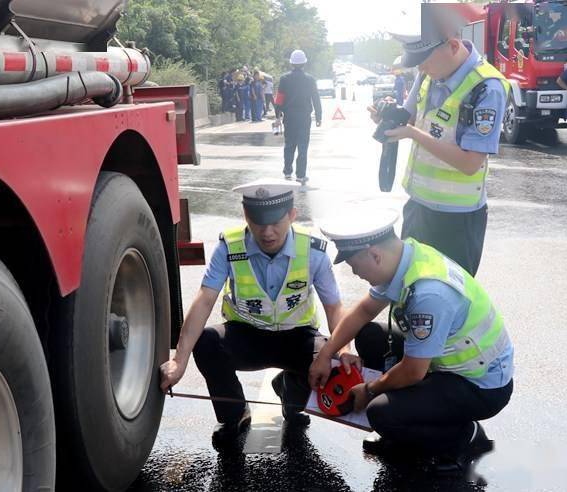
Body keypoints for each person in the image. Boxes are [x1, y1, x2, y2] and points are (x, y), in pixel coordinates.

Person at [310, 211, 514, 475]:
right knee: (369, 336)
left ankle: (463, 438)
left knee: (381, 413)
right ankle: (410, 425)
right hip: (447, 364)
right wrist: (326, 354)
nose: (355, 272)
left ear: (375, 255)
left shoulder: (429, 293)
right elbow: (363, 311)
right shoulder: (406, 257)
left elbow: (413, 371)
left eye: (354, 264)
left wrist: (370, 390)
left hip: (480, 384)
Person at [159, 179, 348, 446]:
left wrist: (343, 349)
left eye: (276, 223)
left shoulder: (312, 250)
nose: (267, 232)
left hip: (298, 337)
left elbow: (334, 307)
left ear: (292, 215)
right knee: (206, 342)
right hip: (247, 335)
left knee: (329, 364)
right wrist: (179, 360)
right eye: (258, 223)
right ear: (246, 215)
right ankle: (235, 413)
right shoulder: (229, 246)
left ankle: (289, 390)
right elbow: (204, 301)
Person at [373, 5, 509, 277]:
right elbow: (410, 119)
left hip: (456, 219)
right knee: (410, 289)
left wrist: (413, 135)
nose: (421, 67)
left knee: (448, 300)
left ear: (454, 45)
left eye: (424, 59)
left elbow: (470, 163)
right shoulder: (430, 73)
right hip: (418, 207)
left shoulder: (487, 88)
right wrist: (386, 117)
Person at [275, 49, 322, 185]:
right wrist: (319, 116)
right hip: (304, 117)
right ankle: (301, 175)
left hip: (289, 117)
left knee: (289, 145)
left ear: (291, 63)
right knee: (302, 146)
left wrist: (277, 115)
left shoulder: (284, 79)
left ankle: (287, 173)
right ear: (304, 63)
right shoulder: (310, 79)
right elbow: (315, 99)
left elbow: (279, 99)